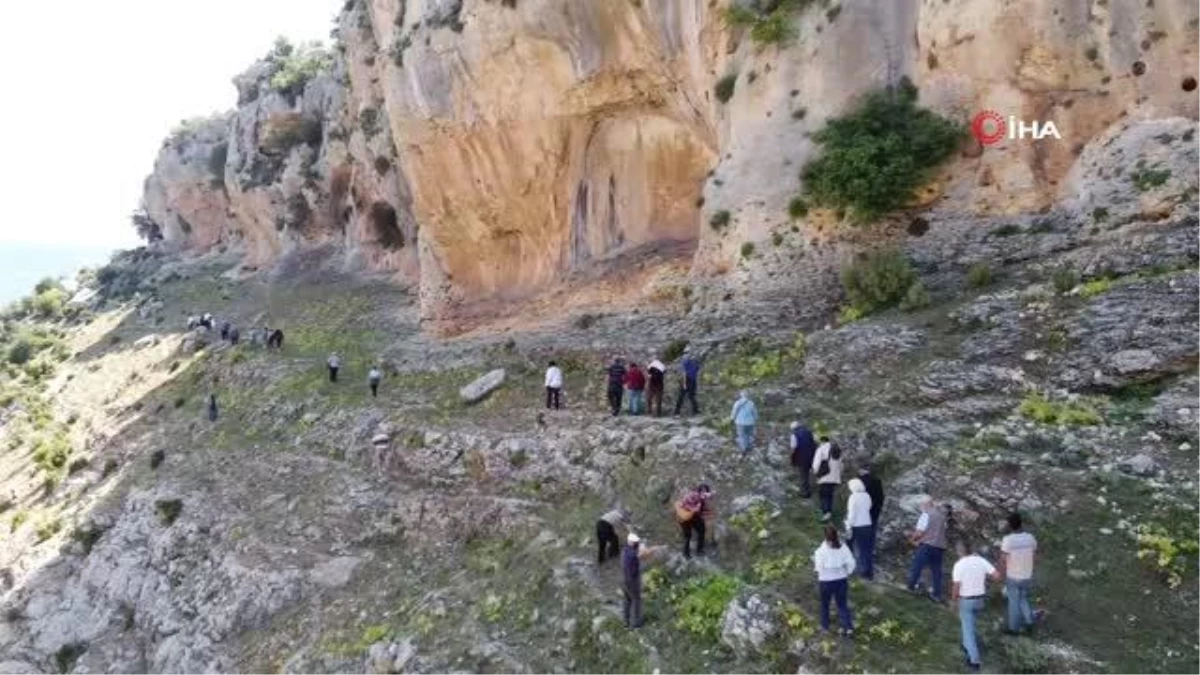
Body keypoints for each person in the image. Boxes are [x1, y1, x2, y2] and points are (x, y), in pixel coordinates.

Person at [952, 540, 1001, 671]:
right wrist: (983, 580)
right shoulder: (980, 560)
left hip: (966, 600)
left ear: (960, 551)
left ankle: (974, 661)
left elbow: (956, 586)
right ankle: (966, 644)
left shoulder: (959, 565)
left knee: (967, 629)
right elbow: (997, 576)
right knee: (968, 624)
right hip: (980, 600)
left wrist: (954, 601)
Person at [813, 525, 856, 637]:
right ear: (837, 535)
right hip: (841, 580)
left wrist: (821, 572)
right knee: (842, 605)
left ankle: (825, 626)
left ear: (825, 536)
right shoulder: (844, 548)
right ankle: (848, 628)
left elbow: (818, 568)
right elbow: (851, 562)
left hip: (826, 581)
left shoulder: (820, 551)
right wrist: (847, 572)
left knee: (825, 605)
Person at [1000, 512, 1038, 635]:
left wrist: (1001, 574)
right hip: (1027, 575)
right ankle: (1029, 622)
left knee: (1014, 603)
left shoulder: (1008, 540)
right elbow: (1034, 555)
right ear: (1021, 523)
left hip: (1013, 576)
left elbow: (1003, 559)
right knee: (1023, 598)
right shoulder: (1030, 538)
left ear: (1010, 526)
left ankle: (1013, 629)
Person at [906, 497, 949, 602]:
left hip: (927, 545)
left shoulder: (926, 515)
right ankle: (937, 594)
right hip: (939, 547)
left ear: (926, 504)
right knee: (936, 571)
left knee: (917, 566)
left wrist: (911, 538)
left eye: (921, 505)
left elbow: (920, 532)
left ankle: (911, 587)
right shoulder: (942, 516)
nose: (920, 507)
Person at [845, 478, 874, 579]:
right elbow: (869, 507)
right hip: (867, 524)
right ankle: (868, 572)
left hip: (856, 525)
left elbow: (852, 513)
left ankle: (851, 569)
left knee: (850, 547)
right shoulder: (867, 495)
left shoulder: (853, 497)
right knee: (866, 549)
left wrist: (848, 525)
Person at [676, 483, 713, 558]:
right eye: (705, 491)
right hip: (688, 517)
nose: (705, 494)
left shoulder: (693, 495)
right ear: (701, 491)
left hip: (684, 517)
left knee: (689, 535)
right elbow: (697, 508)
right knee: (696, 532)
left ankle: (688, 554)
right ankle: (697, 552)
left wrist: (706, 512)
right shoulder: (696, 496)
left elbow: (700, 508)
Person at [812, 437, 843, 520]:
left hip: (825, 476)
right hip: (834, 477)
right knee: (829, 494)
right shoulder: (836, 449)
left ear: (822, 441)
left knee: (823, 494)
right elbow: (840, 464)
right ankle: (827, 511)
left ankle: (825, 512)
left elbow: (817, 462)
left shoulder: (821, 449)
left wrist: (815, 472)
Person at [791, 421, 818, 498]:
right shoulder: (809, 432)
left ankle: (805, 493)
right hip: (812, 456)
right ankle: (811, 486)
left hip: (801, 458)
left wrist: (792, 459)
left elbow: (793, 448)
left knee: (803, 475)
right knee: (809, 472)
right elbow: (815, 442)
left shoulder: (794, 435)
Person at [622, 533, 644, 629]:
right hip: (632, 580)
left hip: (624, 578)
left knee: (627, 600)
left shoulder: (625, 549)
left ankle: (626, 622)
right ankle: (636, 624)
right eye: (636, 542)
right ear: (631, 542)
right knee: (636, 600)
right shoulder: (632, 553)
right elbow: (642, 554)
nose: (637, 544)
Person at [673, 348, 701, 415]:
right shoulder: (695, 362)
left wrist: (684, 383)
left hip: (687, 379)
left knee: (681, 396)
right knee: (691, 396)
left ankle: (677, 412)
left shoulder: (685, 361)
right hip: (693, 380)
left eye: (685, 353)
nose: (685, 355)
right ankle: (696, 411)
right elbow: (697, 371)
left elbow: (684, 372)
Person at [731, 390, 758, 457]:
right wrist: (756, 419)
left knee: (742, 436)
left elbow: (734, 412)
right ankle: (749, 447)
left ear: (741, 395)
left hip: (740, 422)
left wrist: (732, 418)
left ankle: (743, 449)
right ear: (748, 395)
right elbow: (755, 413)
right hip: (750, 422)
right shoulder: (751, 403)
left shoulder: (737, 403)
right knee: (749, 435)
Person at [858, 463, 884, 528]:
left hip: (864, 508)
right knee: (873, 525)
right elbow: (881, 495)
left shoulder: (859, 482)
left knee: (863, 526)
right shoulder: (877, 480)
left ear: (862, 470)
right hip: (875, 507)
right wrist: (880, 505)